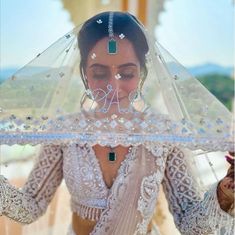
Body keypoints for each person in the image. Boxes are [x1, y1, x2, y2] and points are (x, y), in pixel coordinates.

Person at [0, 11, 234, 235]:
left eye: (127, 73)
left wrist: (224, 195)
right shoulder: (63, 131)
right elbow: (30, 206)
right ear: (84, 74)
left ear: (141, 74)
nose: (113, 87)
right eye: (100, 74)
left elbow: (191, 224)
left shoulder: (163, 133)